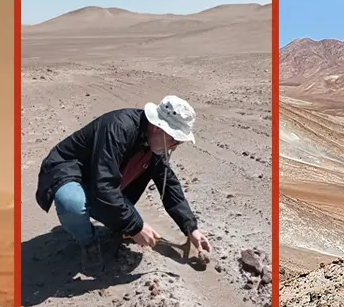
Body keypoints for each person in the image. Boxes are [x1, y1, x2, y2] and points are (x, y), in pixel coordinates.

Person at [35, 95, 212, 272]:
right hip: (71, 172)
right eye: (175, 140)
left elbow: (170, 187)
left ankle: (111, 223)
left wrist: (191, 228)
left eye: (179, 142)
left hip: (100, 184)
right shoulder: (119, 128)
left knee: (125, 222)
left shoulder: (156, 146)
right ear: (158, 128)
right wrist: (136, 226)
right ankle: (88, 242)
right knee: (71, 203)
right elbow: (103, 184)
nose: (174, 147)